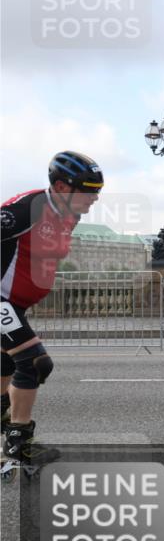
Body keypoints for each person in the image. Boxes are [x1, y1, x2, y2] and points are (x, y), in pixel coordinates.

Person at [1, 151, 103, 465]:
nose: (94, 199)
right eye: (88, 191)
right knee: (34, 362)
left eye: (97, 192)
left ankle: (10, 423)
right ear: (60, 187)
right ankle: (19, 442)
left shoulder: (70, 216)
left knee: (6, 367)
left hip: (16, 303)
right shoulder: (26, 209)